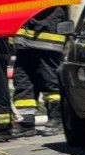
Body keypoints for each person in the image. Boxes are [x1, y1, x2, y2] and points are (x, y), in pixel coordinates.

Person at [11, 7, 69, 137]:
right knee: (23, 82)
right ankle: (25, 122)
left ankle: (56, 119)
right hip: (24, 43)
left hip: (48, 39)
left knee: (50, 82)